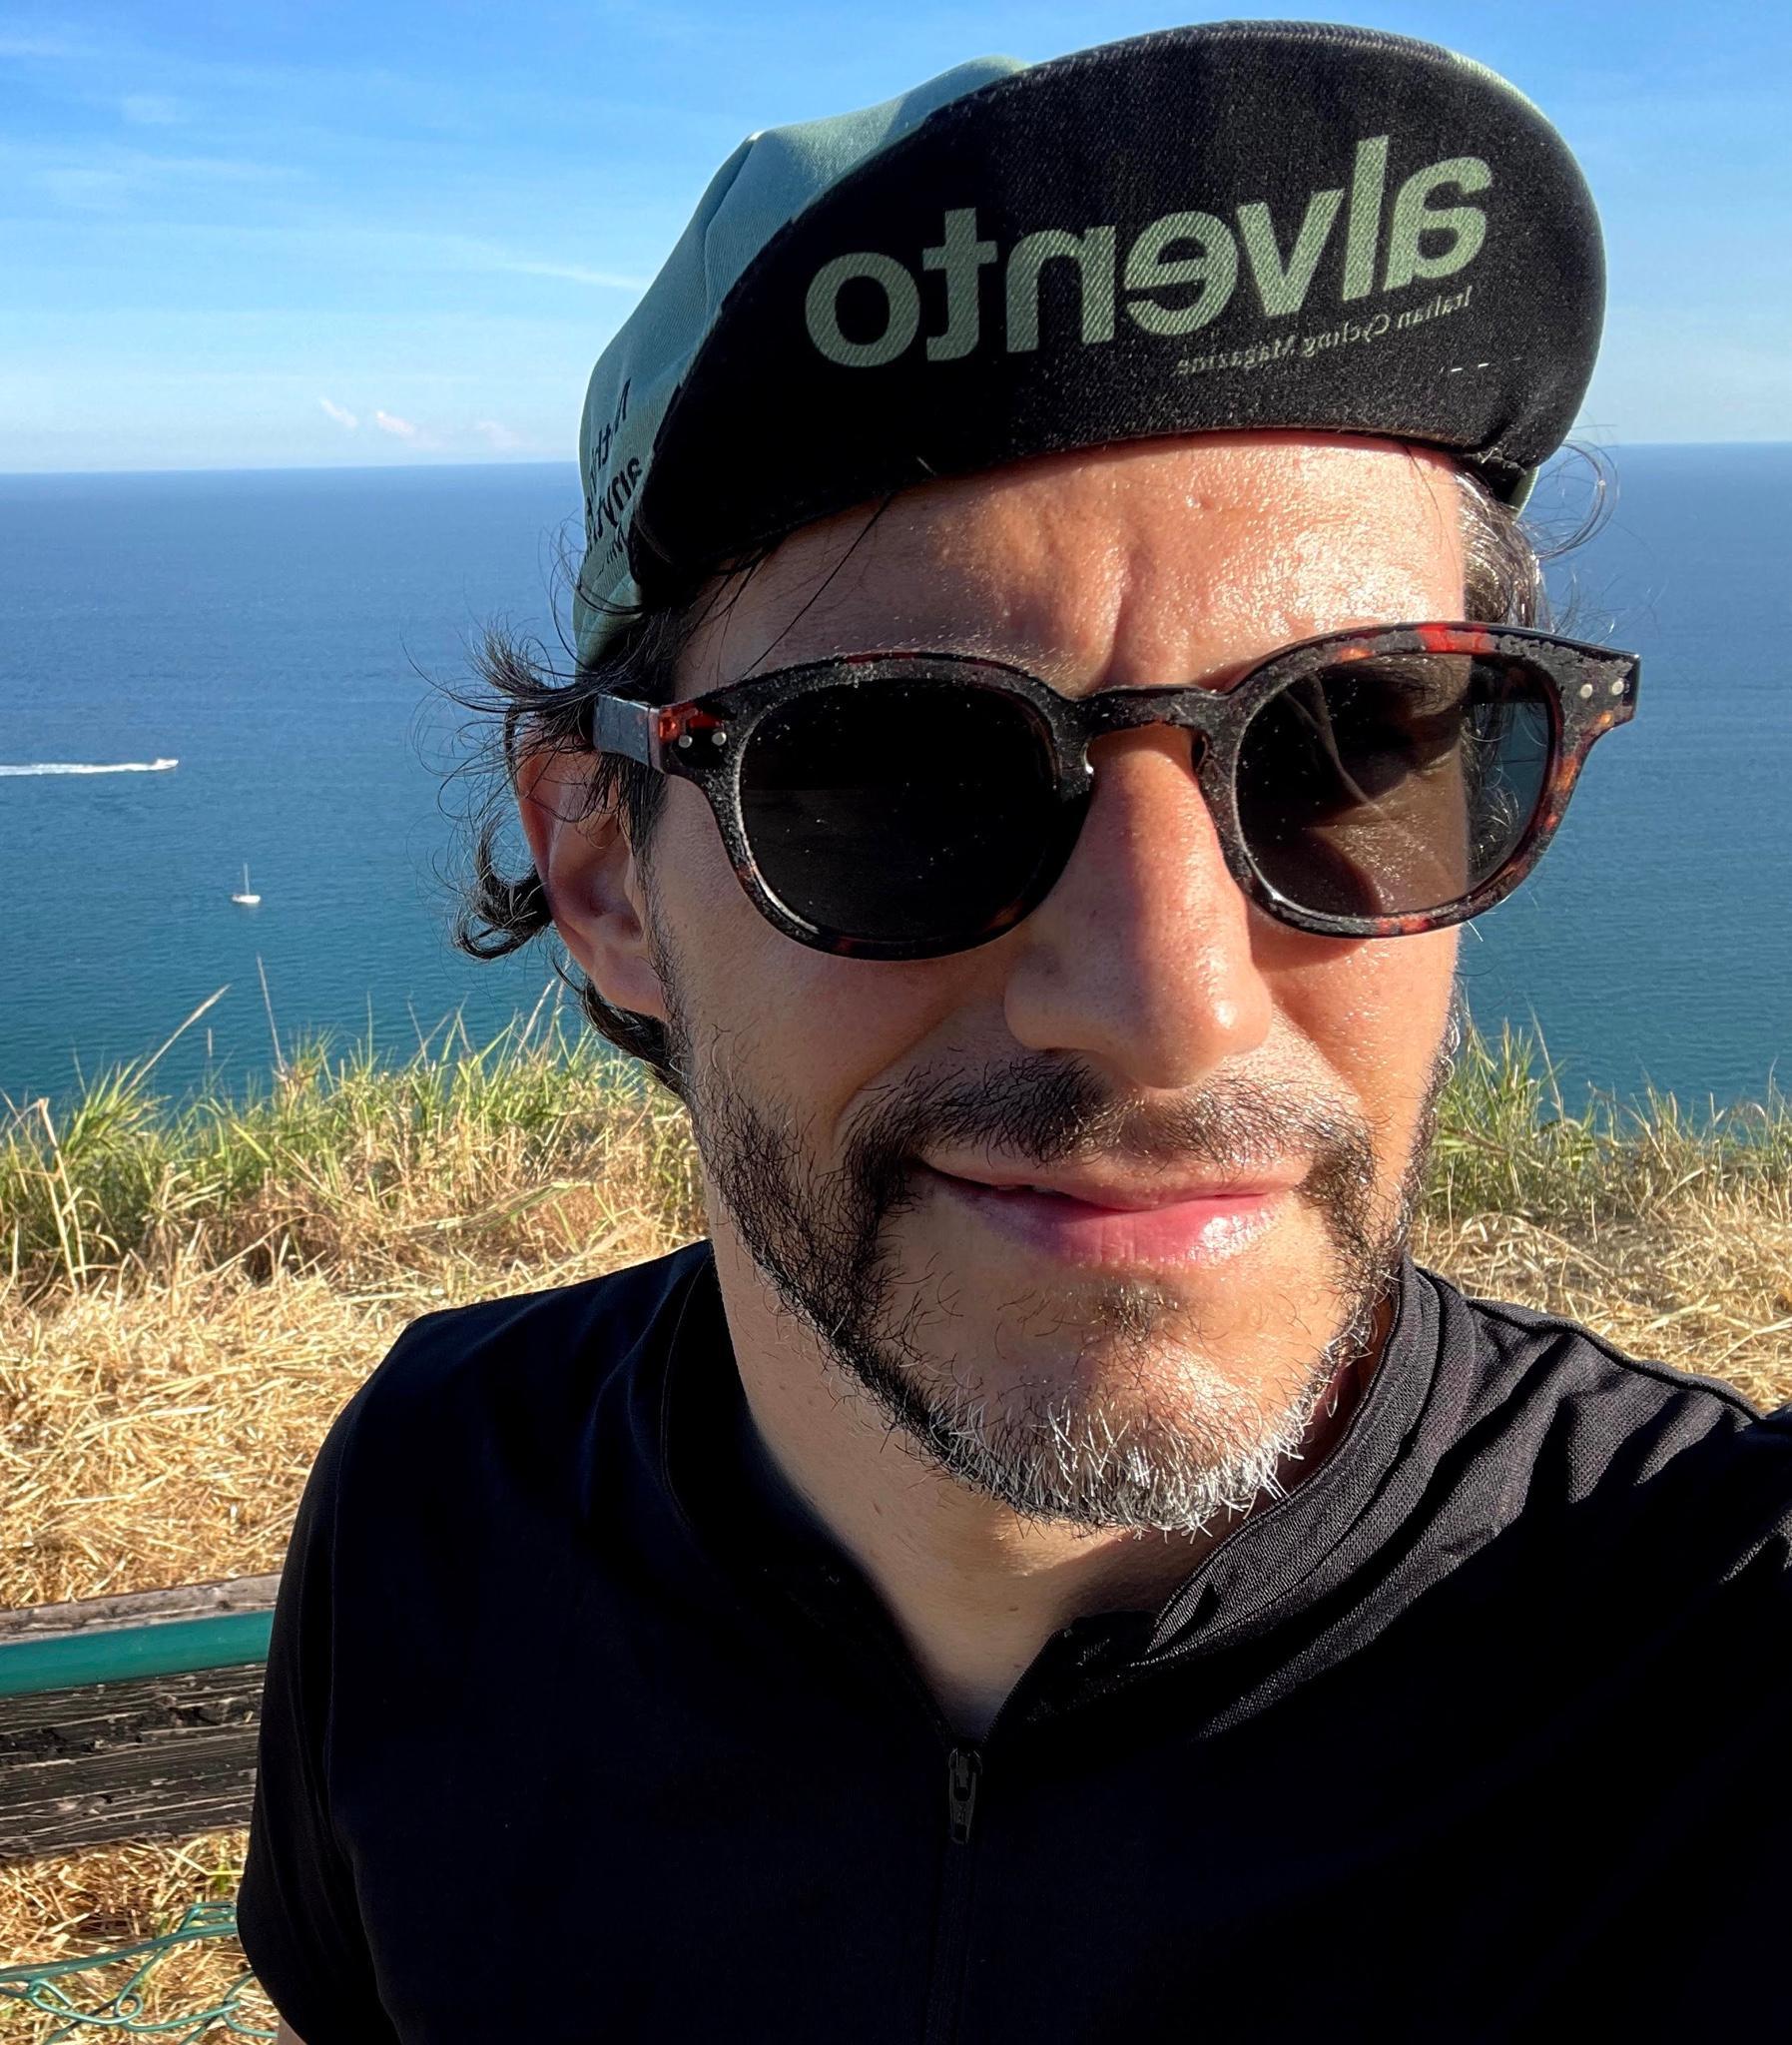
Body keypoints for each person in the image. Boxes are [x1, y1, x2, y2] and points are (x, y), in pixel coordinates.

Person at [236, 21, 1791, 2043]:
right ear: (605, 878)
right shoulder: (438, 1509)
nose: (1170, 1006)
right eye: (894, 770)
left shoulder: (1714, 1665)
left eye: (1351, 743)